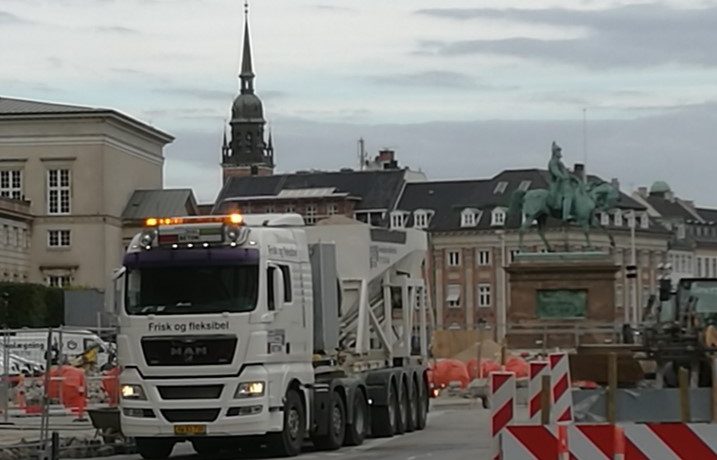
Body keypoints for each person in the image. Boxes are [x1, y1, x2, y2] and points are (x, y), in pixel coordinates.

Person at [548, 142, 576, 221]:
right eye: (558, 151)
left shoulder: (560, 163)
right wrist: (563, 177)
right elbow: (555, 171)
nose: (560, 153)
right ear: (555, 152)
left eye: (560, 151)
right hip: (558, 183)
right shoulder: (553, 162)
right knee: (568, 196)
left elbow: (564, 171)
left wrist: (570, 176)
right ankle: (565, 215)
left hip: (563, 182)